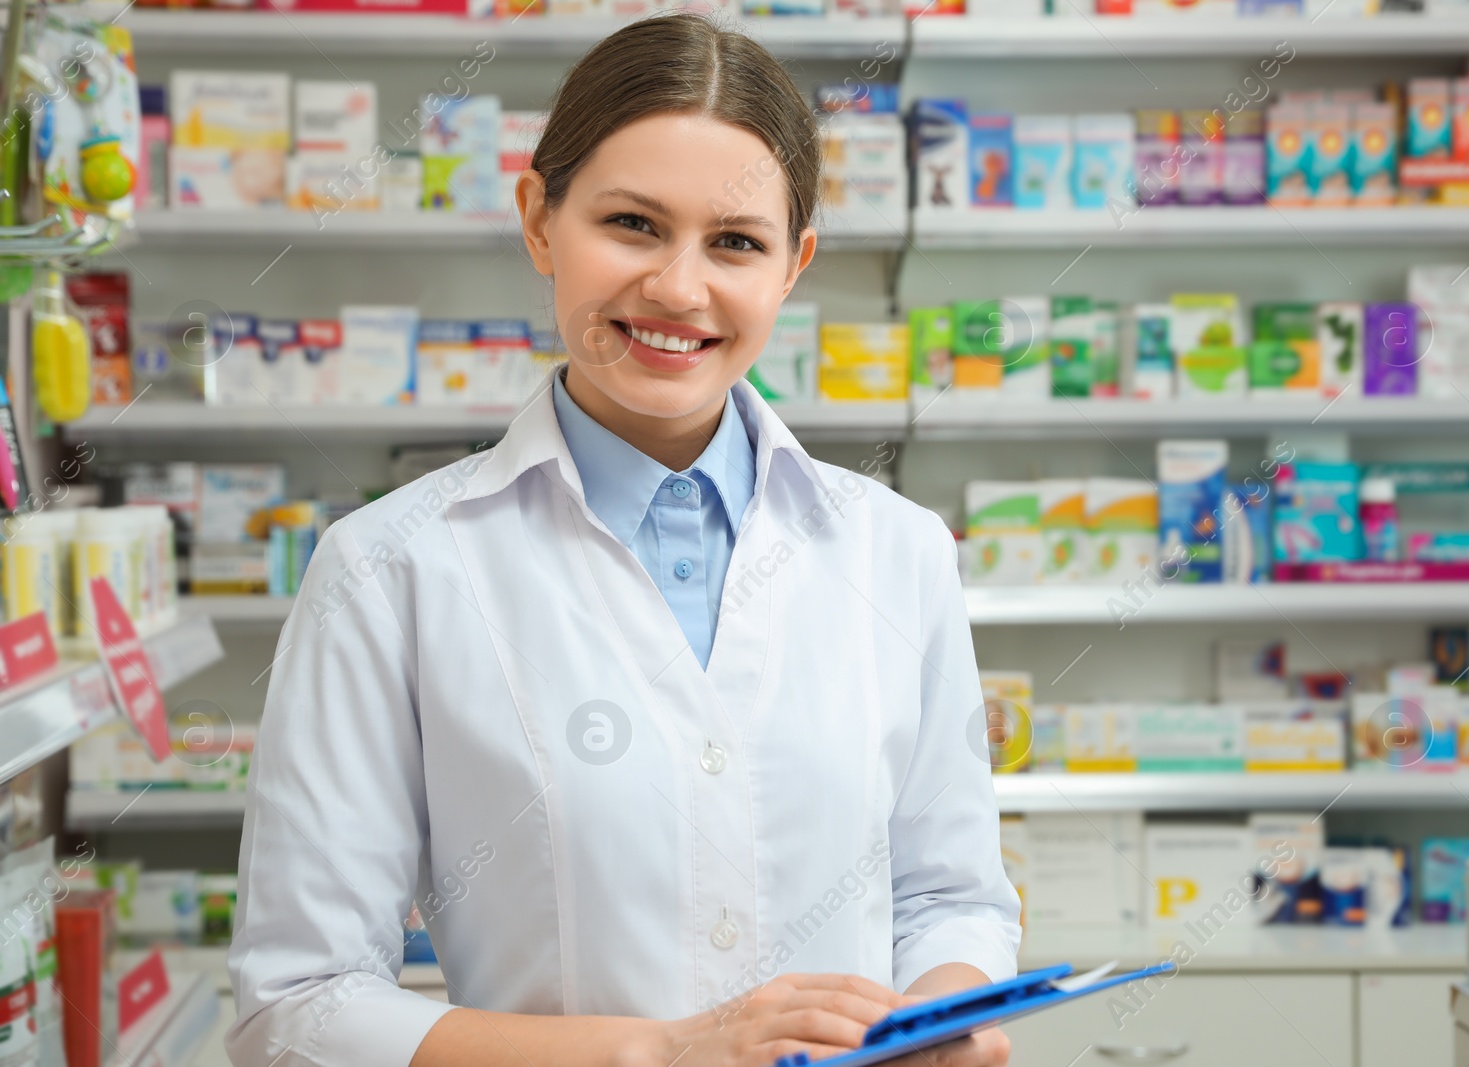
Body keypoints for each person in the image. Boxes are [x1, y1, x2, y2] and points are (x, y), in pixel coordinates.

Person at [225, 14, 1020, 1067]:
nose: (679, 289)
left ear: (792, 266)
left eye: (735, 241)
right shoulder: (389, 566)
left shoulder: (897, 550)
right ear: (539, 219)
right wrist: (661, 1049)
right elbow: (298, 1007)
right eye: (634, 224)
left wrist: (942, 1014)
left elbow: (952, 894)